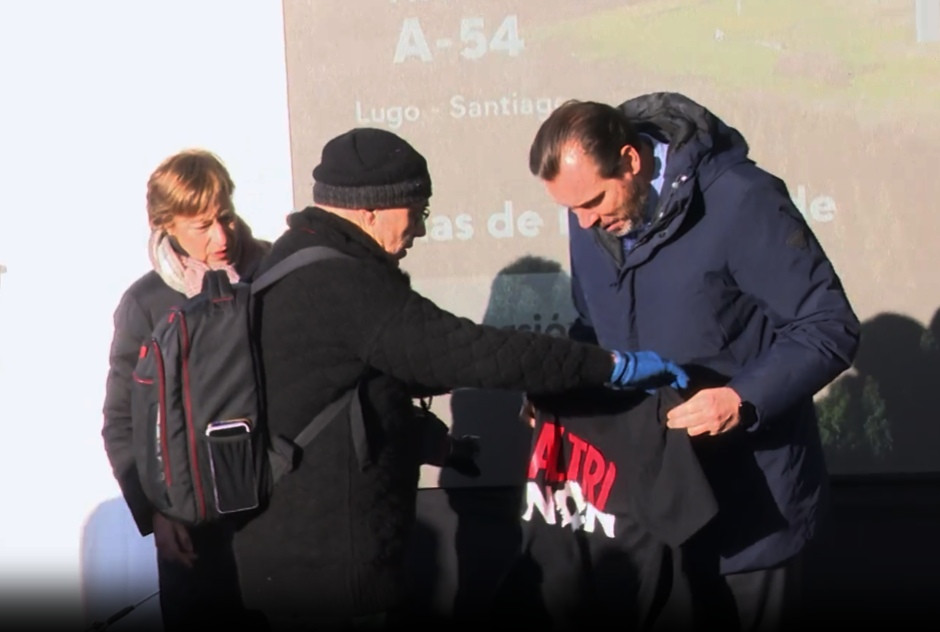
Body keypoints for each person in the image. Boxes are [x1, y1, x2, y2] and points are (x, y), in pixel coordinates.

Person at [230, 127, 689, 631]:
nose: (421, 229)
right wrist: (608, 365)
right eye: (417, 210)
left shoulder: (298, 257)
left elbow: (346, 384)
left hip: (296, 549)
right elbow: (463, 353)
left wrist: (427, 442)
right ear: (372, 209)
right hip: (323, 566)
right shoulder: (340, 281)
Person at [527, 93, 861, 630]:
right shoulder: (592, 218)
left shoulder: (740, 199)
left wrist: (741, 399)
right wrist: (561, 387)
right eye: (572, 210)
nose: (584, 222)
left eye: (592, 202)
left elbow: (827, 326)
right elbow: (594, 330)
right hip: (651, 517)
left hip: (750, 508)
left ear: (631, 160)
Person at [101, 149, 269, 630]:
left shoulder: (273, 275)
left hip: (275, 513)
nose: (222, 237)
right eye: (202, 226)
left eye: (226, 217)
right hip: (194, 528)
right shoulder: (147, 303)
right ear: (166, 226)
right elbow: (122, 421)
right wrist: (156, 511)